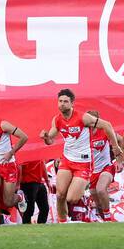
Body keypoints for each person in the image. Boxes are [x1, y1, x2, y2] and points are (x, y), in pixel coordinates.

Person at [39, 88, 103, 223]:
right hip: (67, 160)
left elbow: (107, 125)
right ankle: (62, 222)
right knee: (60, 195)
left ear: (72, 103)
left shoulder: (83, 117)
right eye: (60, 101)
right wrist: (45, 137)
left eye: (65, 101)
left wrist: (116, 147)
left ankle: (92, 211)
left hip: (84, 163)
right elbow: (50, 140)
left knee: (71, 199)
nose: (62, 104)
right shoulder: (57, 120)